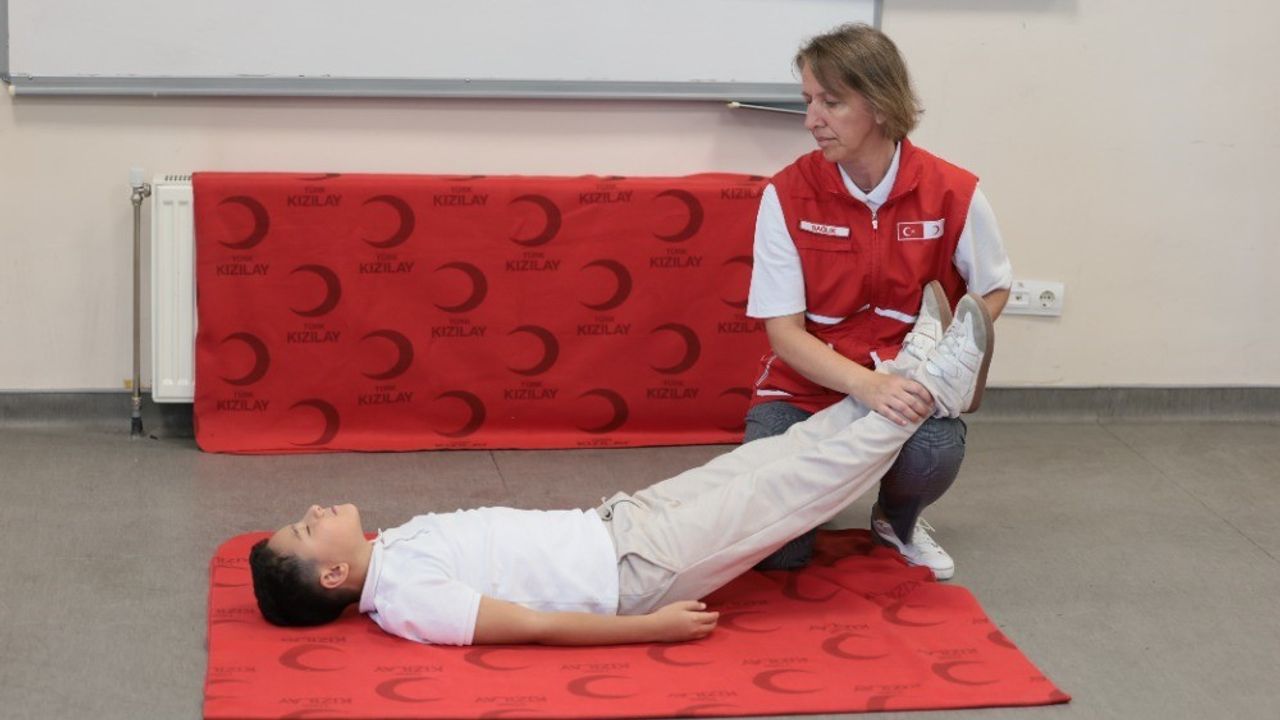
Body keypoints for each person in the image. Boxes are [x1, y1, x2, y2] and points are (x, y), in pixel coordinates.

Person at [249, 289, 993, 646]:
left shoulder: (389, 552)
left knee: (771, 457)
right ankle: (931, 392)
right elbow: (530, 627)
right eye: (304, 530)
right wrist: (650, 630)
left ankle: (901, 381)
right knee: (795, 488)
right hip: (636, 573)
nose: (311, 512)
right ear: (334, 576)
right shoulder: (407, 599)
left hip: (617, 525)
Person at [745, 23, 1013, 580]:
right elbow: (784, 332)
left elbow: (993, 287)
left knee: (934, 449)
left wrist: (942, 360)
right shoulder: (786, 194)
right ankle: (811, 501)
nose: (811, 120)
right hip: (805, 390)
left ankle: (896, 519)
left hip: (908, 381)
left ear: (881, 104)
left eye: (831, 102)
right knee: (778, 557)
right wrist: (867, 386)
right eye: (808, 100)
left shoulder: (954, 190)